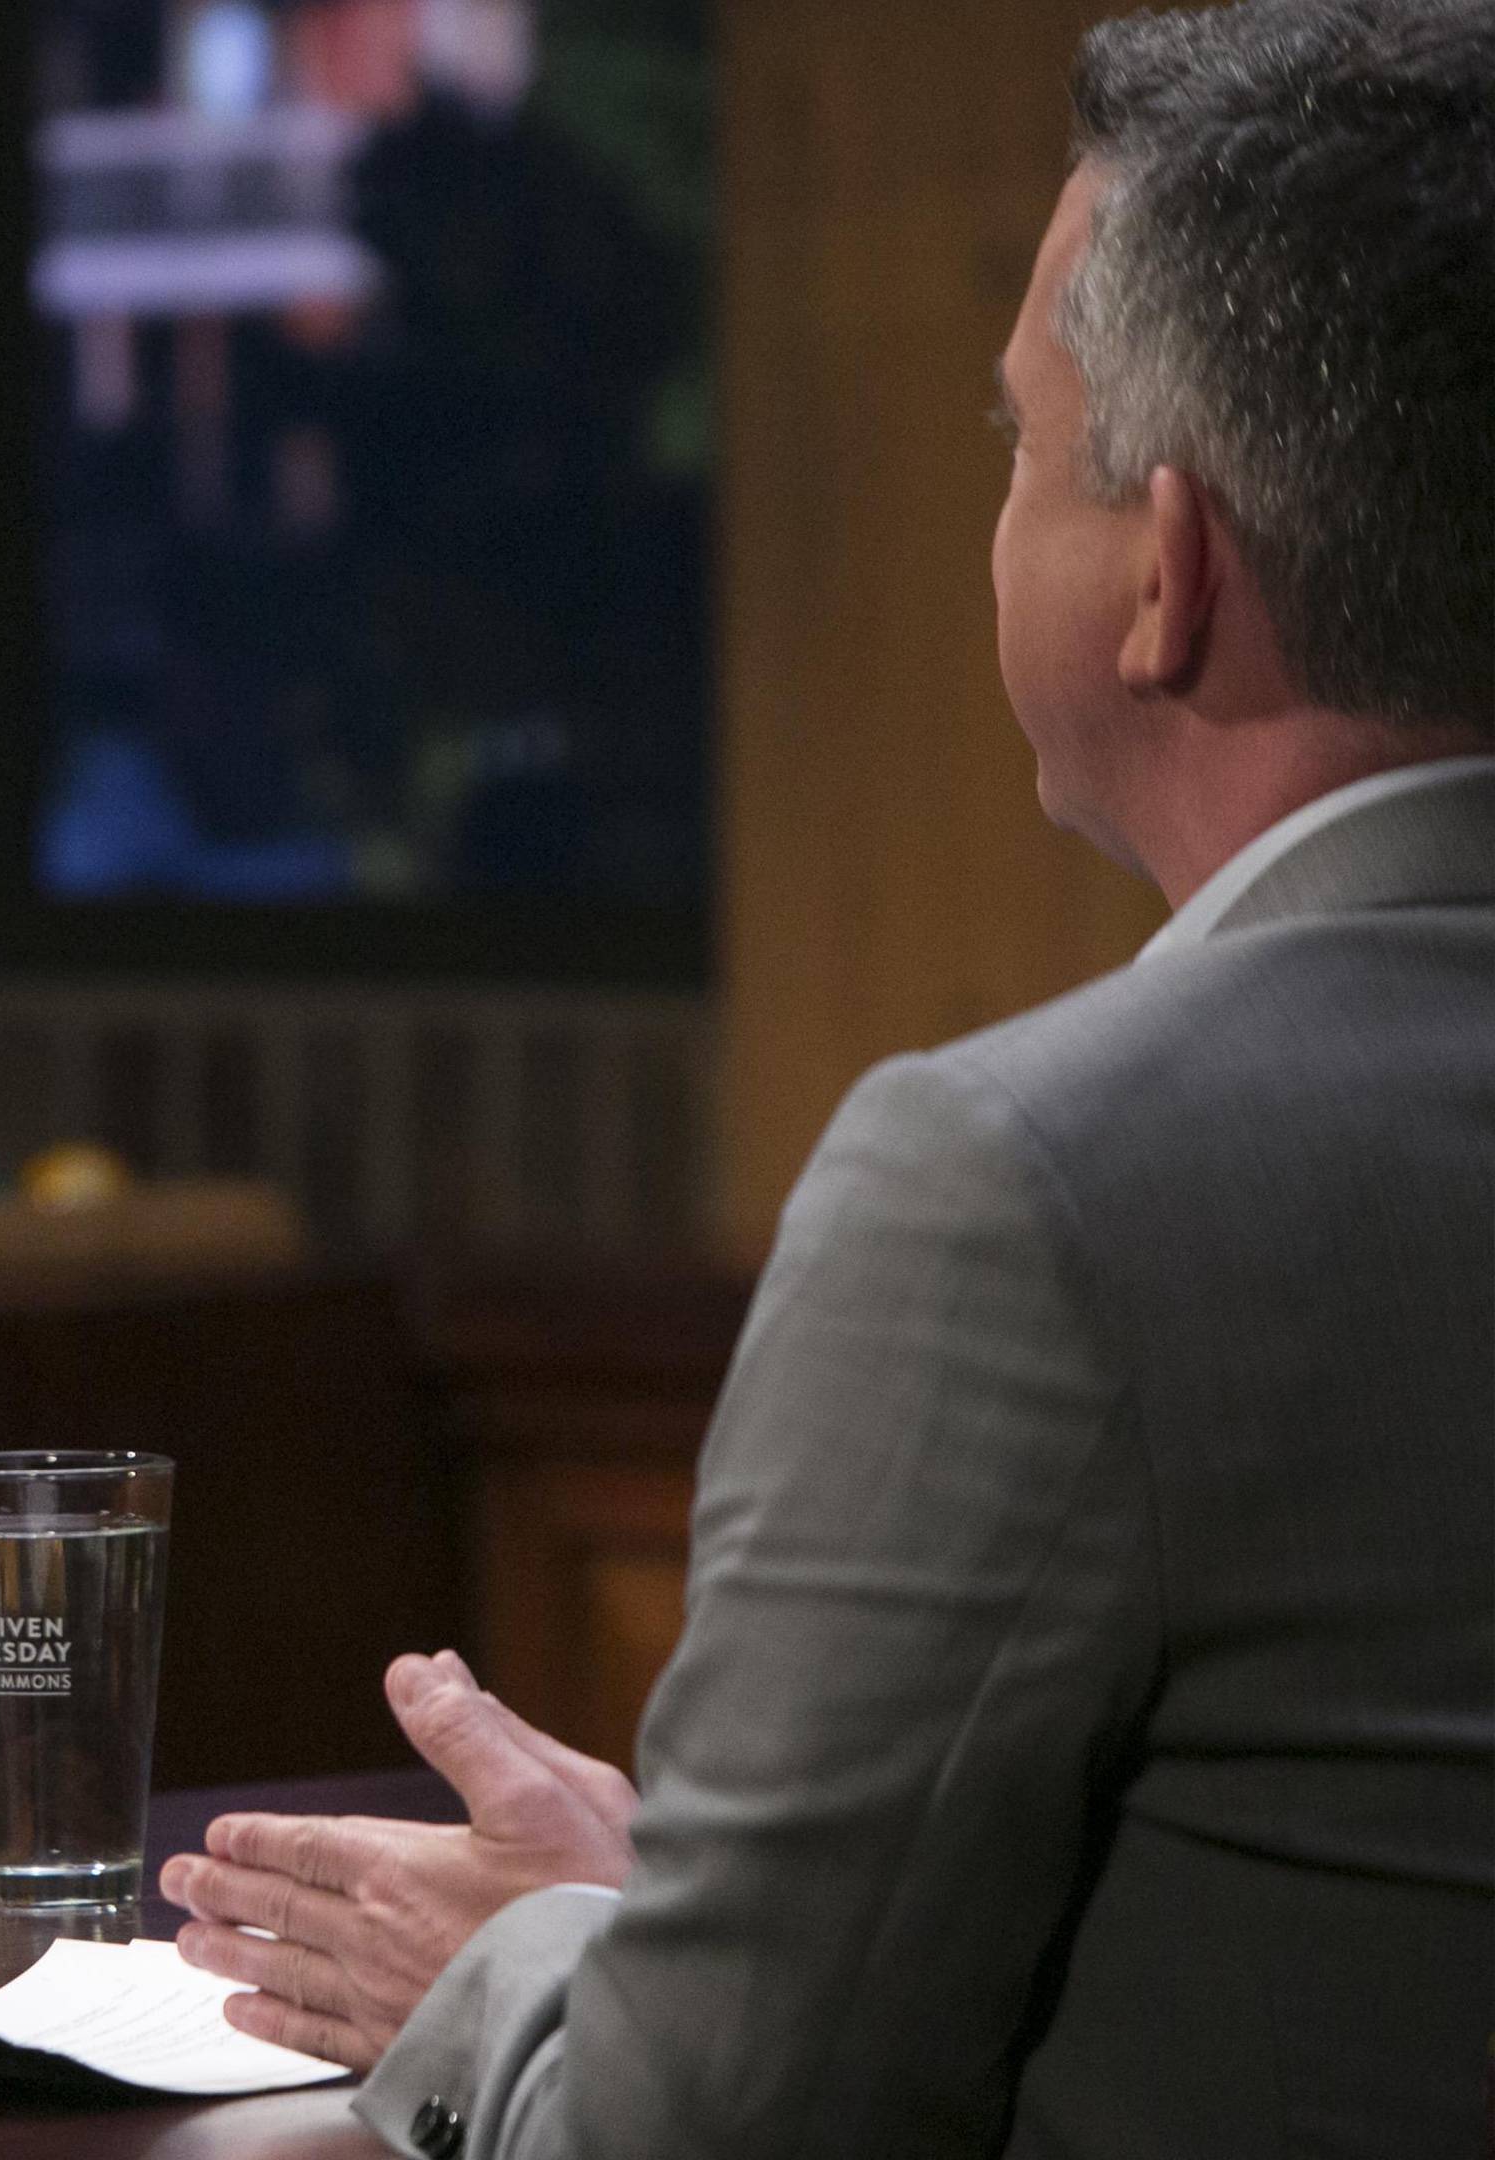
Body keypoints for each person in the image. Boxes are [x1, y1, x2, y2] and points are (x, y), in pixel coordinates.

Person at [161, 4, 1495, 2153]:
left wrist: (514, 1969)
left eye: (1013, 444)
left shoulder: (1025, 1187)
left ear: (1166, 571)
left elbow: (705, 2140)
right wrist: (698, 1909)